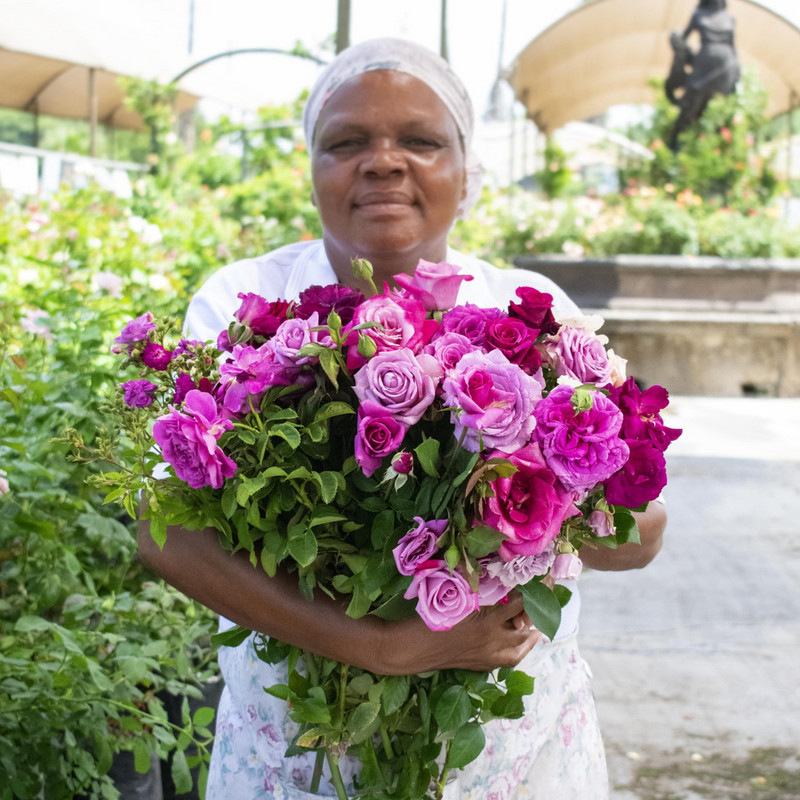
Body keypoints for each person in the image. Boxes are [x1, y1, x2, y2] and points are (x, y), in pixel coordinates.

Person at [138, 38, 667, 799]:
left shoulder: (534, 314)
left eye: (420, 140)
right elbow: (165, 530)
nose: (383, 161)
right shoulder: (243, 304)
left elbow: (644, 531)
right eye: (346, 143)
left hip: (509, 754)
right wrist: (386, 648)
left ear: (465, 168)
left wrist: (542, 513)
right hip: (301, 749)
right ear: (314, 169)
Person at [668, 0, 740, 151]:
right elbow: (683, 38)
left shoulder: (730, 18)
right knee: (690, 106)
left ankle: (716, 152)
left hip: (726, 65)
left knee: (719, 112)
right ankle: (675, 147)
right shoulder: (699, 13)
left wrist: (736, 70)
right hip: (704, 64)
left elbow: (732, 46)